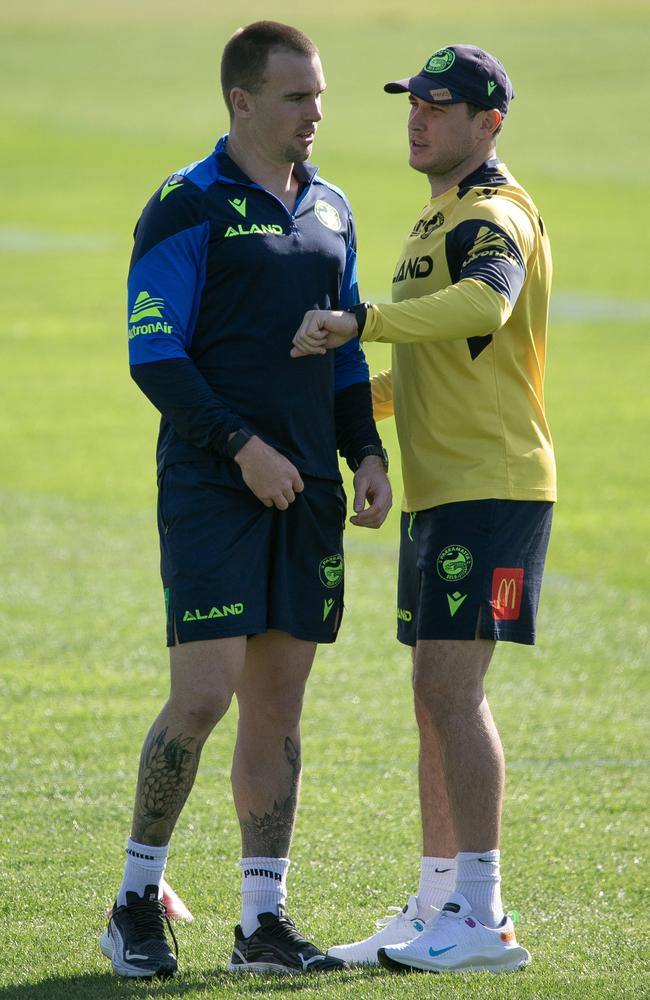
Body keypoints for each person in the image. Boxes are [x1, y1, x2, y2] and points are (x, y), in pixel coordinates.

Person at [100, 20, 391, 980]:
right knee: (205, 693)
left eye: (319, 95)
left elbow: (346, 348)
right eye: (297, 96)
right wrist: (242, 449)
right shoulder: (186, 206)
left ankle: (262, 922)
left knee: (279, 703)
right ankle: (136, 900)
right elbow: (154, 355)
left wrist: (365, 454)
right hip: (216, 483)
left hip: (306, 489)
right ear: (242, 100)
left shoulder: (333, 208)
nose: (317, 113)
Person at [291, 43, 555, 974]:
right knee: (430, 696)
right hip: (445, 491)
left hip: (495, 485)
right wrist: (345, 412)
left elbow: (483, 305)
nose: (419, 116)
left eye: (440, 106)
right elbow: (430, 365)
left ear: (489, 124)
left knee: (453, 689)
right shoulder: (433, 218)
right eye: (414, 101)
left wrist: (361, 320)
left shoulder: (493, 215)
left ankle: (482, 917)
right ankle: (439, 900)